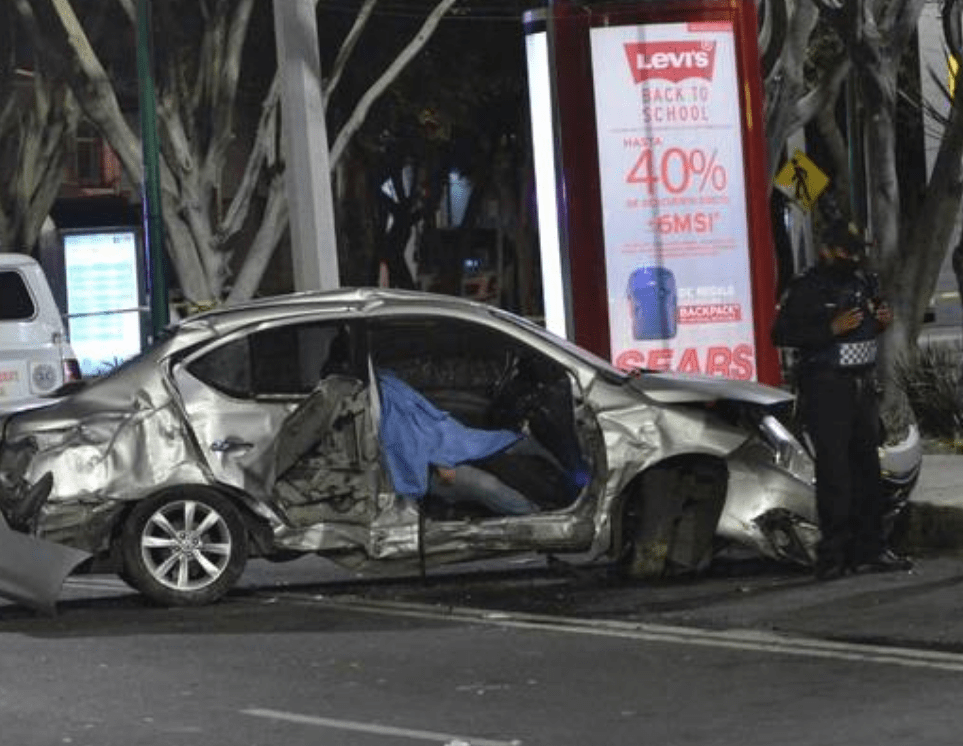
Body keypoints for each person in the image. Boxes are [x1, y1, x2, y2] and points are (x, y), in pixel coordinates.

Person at [771, 221, 912, 580]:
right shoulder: (807, 288)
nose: (854, 257)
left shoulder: (864, 282)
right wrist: (829, 330)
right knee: (835, 475)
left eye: (857, 251)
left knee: (867, 471)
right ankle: (833, 555)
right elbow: (781, 333)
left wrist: (881, 321)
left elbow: (874, 320)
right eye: (846, 251)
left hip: (862, 388)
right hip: (827, 388)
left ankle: (871, 548)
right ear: (827, 250)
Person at [375, 368, 561, 515]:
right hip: (423, 465)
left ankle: (568, 480)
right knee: (486, 485)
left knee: (517, 442)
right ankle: (535, 515)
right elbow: (401, 443)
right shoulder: (374, 397)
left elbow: (425, 421)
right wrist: (439, 460)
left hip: (447, 441)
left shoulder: (388, 383)